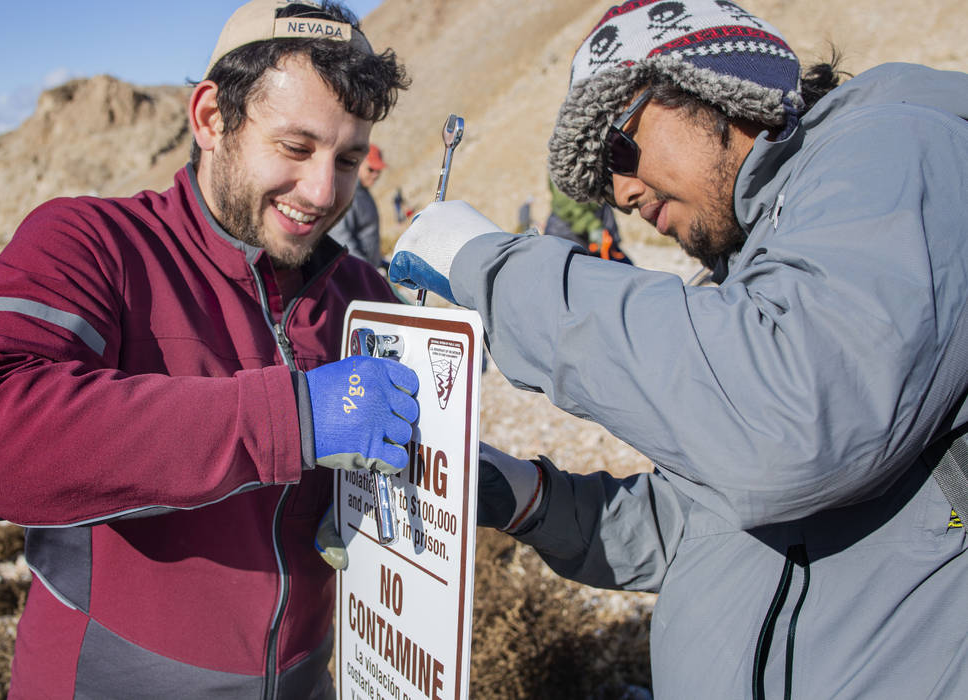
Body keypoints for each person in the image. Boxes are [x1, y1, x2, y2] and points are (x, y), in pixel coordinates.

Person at [388, 0, 968, 697]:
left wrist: (495, 268)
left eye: (617, 149)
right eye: (606, 184)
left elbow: (794, 422)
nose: (623, 192)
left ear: (714, 86)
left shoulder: (896, 151)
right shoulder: (754, 262)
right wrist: (530, 496)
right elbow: (700, 525)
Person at [0, 1, 416, 697]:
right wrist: (292, 418)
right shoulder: (93, 243)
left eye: (349, 158)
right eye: (296, 148)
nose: (324, 191)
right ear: (212, 118)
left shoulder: (361, 293)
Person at [543, 179, 632, 264]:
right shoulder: (562, 170)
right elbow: (568, 207)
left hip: (600, 228)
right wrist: (593, 227)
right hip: (571, 234)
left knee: (625, 268)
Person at [327, 142, 387, 267]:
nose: (375, 175)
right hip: (356, 274)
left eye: (378, 171)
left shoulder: (363, 193)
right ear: (357, 164)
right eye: (371, 169)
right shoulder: (348, 195)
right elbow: (342, 240)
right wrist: (367, 272)